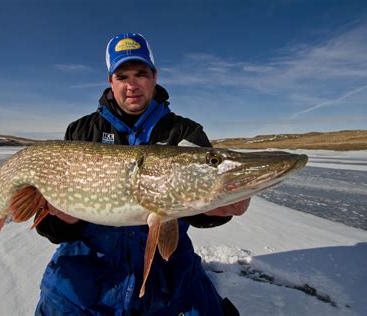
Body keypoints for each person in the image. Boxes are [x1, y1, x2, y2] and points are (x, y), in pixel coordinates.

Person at [34, 33, 250, 316]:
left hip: (167, 264)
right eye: (122, 76)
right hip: (89, 261)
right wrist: (62, 219)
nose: (132, 84)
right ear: (111, 82)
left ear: (154, 76)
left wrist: (215, 211)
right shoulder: (82, 132)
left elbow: (196, 207)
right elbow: (53, 227)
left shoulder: (184, 132)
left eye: (140, 73)